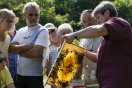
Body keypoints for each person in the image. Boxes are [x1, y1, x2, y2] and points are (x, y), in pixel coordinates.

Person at [62, 1, 132, 88]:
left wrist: (74, 35)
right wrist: (78, 48)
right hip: (107, 82)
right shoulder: (107, 37)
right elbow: (96, 58)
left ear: (107, 13)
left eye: (98, 18)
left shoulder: (119, 23)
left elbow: (98, 30)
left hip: (117, 82)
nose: (97, 22)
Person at [8, 2, 49, 88]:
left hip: (35, 76)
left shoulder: (42, 31)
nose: (34, 17)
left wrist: (19, 51)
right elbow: (11, 49)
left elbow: (35, 53)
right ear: (24, 15)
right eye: (31, 14)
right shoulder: (21, 31)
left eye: (36, 15)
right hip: (19, 75)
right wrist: (26, 46)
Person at [47, 23, 84, 88]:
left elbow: (78, 74)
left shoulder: (77, 51)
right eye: (63, 33)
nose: (66, 35)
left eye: (69, 33)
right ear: (58, 36)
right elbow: (48, 73)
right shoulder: (52, 52)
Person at [79, 10, 102, 88]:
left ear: (96, 19)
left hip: (102, 80)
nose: (87, 23)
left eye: (89, 20)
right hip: (87, 81)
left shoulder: (104, 36)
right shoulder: (82, 38)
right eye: (84, 21)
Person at [7, 17, 19, 87]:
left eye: (13, 22)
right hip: (8, 73)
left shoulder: (21, 35)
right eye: (9, 23)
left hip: (20, 73)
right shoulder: (3, 37)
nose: (11, 25)